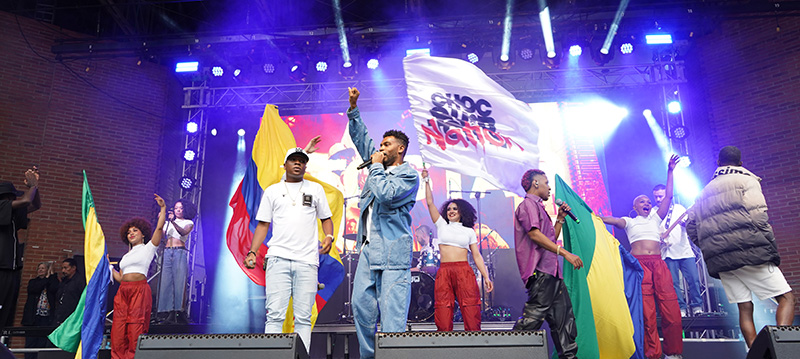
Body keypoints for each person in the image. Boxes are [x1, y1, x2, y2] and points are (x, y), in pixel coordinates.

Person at [686, 146, 795, 348]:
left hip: (720, 259)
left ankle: (756, 354)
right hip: (751, 251)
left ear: (718, 163)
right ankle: (782, 349)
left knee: (744, 308)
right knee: (787, 298)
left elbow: (690, 225)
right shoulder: (747, 180)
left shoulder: (703, 192)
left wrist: (709, 246)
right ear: (740, 163)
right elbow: (759, 216)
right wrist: (769, 245)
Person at [347, 87, 419, 359]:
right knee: (361, 307)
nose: (379, 150)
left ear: (400, 149)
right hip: (369, 249)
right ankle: (368, 357)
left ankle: (392, 357)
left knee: (392, 314)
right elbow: (361, 138)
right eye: (379, 146)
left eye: (386, 145)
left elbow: (386, 196)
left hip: (393, 251)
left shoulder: (408, 176)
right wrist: (354, 109)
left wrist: (375, 167)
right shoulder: (378, 166)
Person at [243, 147, 334, 355]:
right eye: (293, 160)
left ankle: (300, 357)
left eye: (301, 161)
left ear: (305, 165)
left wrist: (329, 236)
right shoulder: (273, 191)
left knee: (303, 316)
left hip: (307, 261)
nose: (297, 164)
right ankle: (273, 356)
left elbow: (326, 219)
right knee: (275, 315)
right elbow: (263, 225)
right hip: (278, 259)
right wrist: (253, 251)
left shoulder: (315, 189)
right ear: (284, 165)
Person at [601, 155, 683, 359]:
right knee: (647, 315)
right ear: (635, 207)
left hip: (659, 264)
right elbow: (610, 220)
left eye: (648, 201)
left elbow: (669, 197)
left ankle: (673, 353)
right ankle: (652, 354)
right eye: (642, 201)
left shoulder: (656, 217)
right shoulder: (629, 221)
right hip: (640, 267)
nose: (647, 203)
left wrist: (670, 171)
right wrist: (590, 215)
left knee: (671, 311)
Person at [512, 169, 582, 359]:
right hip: (541, 272)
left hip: (552, 272)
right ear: (535, 184)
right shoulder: (527, 205)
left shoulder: (539, 207)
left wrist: (560, 219)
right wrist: (565, 253)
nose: (549, 188)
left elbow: (550, 238)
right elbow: (535, 235)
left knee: (564, 322)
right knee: (532, 319)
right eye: (546, 183)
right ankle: (507, 350)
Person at [421, 168, 493, 331]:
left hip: (463, 271)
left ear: (462, 212)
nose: (451, 211)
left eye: (455, 209)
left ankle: (474, 345)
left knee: (470, 307)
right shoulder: (441, 224)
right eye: (449, 209)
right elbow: (430, 203)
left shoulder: (469, 231)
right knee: (443, 309)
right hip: (445, 271)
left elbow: (476, 255)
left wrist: (486, 276)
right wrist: (426, 181)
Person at [109, 194, 167, 359]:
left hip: (139, 291)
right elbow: (120, 278)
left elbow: (159, 229)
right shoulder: (126, 256)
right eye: (128, 232)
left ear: (143, 234)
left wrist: (163, 208)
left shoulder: (148, 248)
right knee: (118, 331)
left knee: (135, 329)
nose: (131, 233)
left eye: (135, 230)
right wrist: (108, 267)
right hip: (123, 292)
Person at [0, 167, 41, 333]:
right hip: (1, 268)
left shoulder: (11, 213)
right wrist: (31, 186)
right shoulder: (1, 206)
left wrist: (35, 188)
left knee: (5, 311)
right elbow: (24, 201)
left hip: (11, 269)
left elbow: (35, 204)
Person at [653, 184, 703, 317]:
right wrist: (659, 238)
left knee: (693, 279)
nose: (658, 200)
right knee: (674, 283)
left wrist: (685, 224)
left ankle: (697, 306)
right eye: (656, 197)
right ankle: (681, 307)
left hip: (684, 251)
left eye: (660, 196)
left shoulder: (680, 209)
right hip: (667, 252)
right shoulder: (654, 213)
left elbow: (691, 225)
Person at [156, 199, 196, 325]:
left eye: (181, 208)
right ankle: (167, 312)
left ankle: (179, 311)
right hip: (167, 251)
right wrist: (161, 221)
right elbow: (162, 236)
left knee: (179, 282)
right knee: (166, 282)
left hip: (179, 251)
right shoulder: (168, 223)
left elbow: (183, 232)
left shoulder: (188, 222)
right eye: (176, 208)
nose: (178, 210)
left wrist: (172, 221)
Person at [22, 262, 59, 359]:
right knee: (30, 343)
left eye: (43, 268)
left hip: (46, 318)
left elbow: (55, 288)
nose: (40, 270)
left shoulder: (51, 282)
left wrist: (52, 275)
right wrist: (46, 278)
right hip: (33, 318)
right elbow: (35, 289)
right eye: (39, 268)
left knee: (42, 343)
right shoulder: (33, 282)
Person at [55, 258, 85, 325]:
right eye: (62, 268)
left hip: (72, 314)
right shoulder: (64, 281)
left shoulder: (80, 281)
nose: (63, 270)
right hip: (61, 313)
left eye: (66, 268)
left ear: (73, 268)